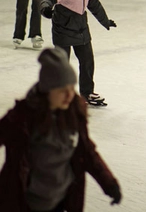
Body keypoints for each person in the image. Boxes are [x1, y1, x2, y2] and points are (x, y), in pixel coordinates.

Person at [0, 47, 122, 211]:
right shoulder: (22, 117)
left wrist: (109, 183)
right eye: (62, 90)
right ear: (47, 90)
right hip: (24, 202)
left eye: (72, 88)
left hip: (61, 202)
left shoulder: (74, 112)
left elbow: (86, 151)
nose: (70, 95)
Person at [40, 0, 117, 107]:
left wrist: (105, 21)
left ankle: (87, 93)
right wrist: (47, 10)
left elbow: (95, 5)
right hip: (63, 30)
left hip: (81, 29)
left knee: (87, 62)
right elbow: (46, 0)